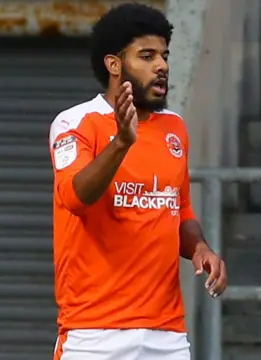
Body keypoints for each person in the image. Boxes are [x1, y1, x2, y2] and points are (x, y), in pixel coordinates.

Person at [48, 3, 227, 359]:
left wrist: (200, 248)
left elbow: (179, 207)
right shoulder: (75, 123)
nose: (161, 66)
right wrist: (121, 144)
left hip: (167, 335)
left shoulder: (174, 127)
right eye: (146, 56)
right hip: (93, 335)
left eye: (164, 55)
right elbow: (74, 197)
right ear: (114, 64)